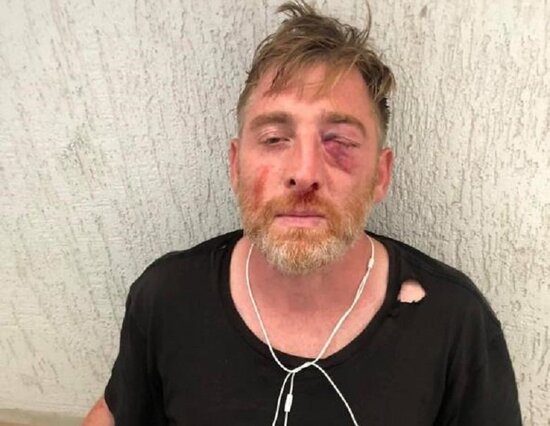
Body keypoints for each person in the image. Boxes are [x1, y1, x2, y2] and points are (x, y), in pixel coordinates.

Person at [83, 2, 522, 425]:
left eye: (340, 141)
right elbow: (116, 413)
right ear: (235, 167)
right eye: (275, 138)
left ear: (381, 175)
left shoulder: (454, 322)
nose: (304, 172)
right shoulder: (167, 298)